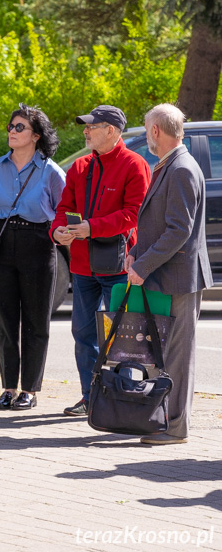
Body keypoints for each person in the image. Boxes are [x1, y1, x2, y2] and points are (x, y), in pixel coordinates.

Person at [50, 105, 151, 416]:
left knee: (121, 339)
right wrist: (59, 233)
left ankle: (124, 401)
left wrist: (91, 228)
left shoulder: (135, 164)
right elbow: (63, 208)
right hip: (82, 268)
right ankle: (90, 397)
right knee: (82, 333)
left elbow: (134, 215)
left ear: (112, 131)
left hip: (119, 267)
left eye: (92, 126)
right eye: (86, 126)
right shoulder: (79, 167)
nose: (86, 131)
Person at [126, 103, 212, 445]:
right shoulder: (171, 166)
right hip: (168, 275)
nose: (148, 135)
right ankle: (164, 422)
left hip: (178, 277)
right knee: (165, 355)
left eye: (148, 129)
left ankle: (175, 428)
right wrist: (137, 251)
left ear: (156, 131)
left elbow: (179, 230)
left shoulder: (181, 169)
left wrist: (143, 265)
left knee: (177, 357)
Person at [0, 105, 65, 410]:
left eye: (20, 127)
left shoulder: (51, 171)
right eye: (10, 126)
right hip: (1, 242)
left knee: (35, 319)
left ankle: (29, 389)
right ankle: (7, 386)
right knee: (4, 319)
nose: (12, 132)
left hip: (38, 242)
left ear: (36, 136)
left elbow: (62, 211)